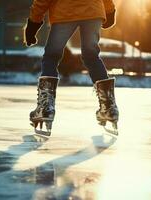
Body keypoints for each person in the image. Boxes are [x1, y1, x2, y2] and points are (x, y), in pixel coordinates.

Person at [24, 0, 119, 135]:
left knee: (51, 56)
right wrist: (109, 10)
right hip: (93, 9)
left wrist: (34, 22)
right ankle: (108, 107)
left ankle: (45, 107)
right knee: (91, 55)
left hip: (65, 11)